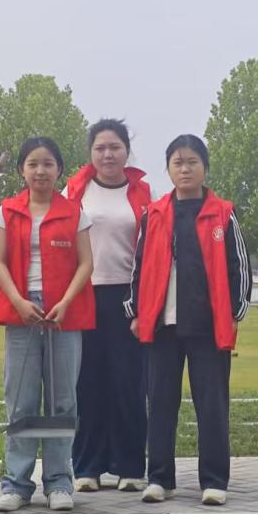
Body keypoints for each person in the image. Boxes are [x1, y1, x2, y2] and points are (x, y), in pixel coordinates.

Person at [126, 134, 250, 506]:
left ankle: (214, 480)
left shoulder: (223, 213)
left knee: (211, 406)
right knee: (161, 404)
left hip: (208, 327)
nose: (185, 169)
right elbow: (139, 265)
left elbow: (238, 267)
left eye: (192, 162)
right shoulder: (154, 214)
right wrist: (135, 312)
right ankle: (159, 478)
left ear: (205, 168)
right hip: (162, 326)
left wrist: (235, 313)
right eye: (178, 162)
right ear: (168, 169)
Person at [0, 137, 94, 512]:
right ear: (22, 169)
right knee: (21, 399)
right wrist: (19, 301)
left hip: (63, 312)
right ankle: (17, 484)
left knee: (62, 400)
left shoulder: (74, 212)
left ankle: (59, 482)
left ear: (59, 170)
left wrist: (65, 302)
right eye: (33, 164)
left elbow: (86, 263)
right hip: (23, 311)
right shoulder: (7, 211)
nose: (40, 171)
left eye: (48, 164)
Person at [63, 119, 153, 494]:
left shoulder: (143, 192)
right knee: (87, 383)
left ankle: (130, 466)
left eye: (115, 147)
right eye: (100, 148)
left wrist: (145, 305)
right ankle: (87, 467)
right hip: (84, 294)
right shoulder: (75, 191)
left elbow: (153, 250)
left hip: (129, 298)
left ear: (126, 151)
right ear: (90, 153)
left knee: (129, 383)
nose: (108, 154)